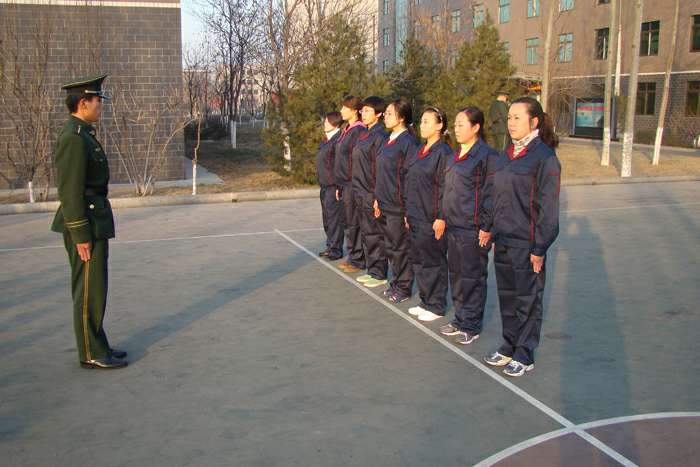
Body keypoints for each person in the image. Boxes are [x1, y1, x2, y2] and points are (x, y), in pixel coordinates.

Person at [50, 74, 127, 369]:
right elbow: (70, 190)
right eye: (97, 101)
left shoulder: (82, 133)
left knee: (96, 287)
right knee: (87, 291)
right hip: (86, 224)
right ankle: (90, 352)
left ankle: (98, 343)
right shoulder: (73, 137)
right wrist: (80, 234)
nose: (100, 106)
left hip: (95, 219)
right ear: (83, 103)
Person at [481, 96, 561, 377]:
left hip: (527, 244)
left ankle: (524, 354)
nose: (511, 123)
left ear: (534, 121)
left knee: (528, 299)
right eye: (509, 117)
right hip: (503, 240)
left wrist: (539, 247)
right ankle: (509, 345)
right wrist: (489, 226)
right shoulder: (507, 154)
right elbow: (495, 195)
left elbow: (549, 210)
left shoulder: (544, 158)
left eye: (517, 117)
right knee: (508, 298)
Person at [439, 107, 498, 345]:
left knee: (472, 277)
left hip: (472, 228)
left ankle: (471, 324)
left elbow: (491, 194)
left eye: (461, 124)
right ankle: (460, 317)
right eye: (455, 124)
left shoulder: (486, 155)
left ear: (476, 127)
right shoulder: (455, 154)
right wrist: (442, 216)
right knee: (457, 275)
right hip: (453, 225)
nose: (456, 128)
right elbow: (446, 189)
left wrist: (486, 225)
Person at [405, 107, 451, 322]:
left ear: (439, 125)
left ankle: (436, 304)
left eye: (426, 121)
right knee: (419, 259)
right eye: (421, 121)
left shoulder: (443, 152)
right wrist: (408, 212)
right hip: (416, 215)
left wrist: (441, 216)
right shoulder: (419, 150)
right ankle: (426, 299)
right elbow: (410, 181)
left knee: (433, 262)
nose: (422, 125)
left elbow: (445, 187)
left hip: (431, 217)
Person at [374, 99, 419, 303]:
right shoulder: (389, 139)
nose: (385, 116)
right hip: (385, 202)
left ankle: (403, 287)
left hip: (398, 205)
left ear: (401, 118)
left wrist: (407, 209)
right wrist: (377, 198)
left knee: (400, 248)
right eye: (385, 113)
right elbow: (381, 172)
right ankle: (396, 283)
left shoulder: (407, 142)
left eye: (390, 113)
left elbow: (409, 177)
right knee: (391, 247)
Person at [351, 96, 389, 288]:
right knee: (366, 233)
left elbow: (380, 169)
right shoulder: (364, 134)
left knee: (375, 234)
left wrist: (376, 196)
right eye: (362, 110)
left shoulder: (380, 136)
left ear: (379, 114)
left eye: (368, 110)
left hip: (370, 192)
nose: (363, 113)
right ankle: (372, 269)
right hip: (359, 190)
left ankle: (379, 273)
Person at [334, 95, 366, 273]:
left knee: (354, 222)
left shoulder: (358, 130)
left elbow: (356, 159)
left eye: (345, 108)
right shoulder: (346, 129)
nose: (341, 111)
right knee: (347, 221)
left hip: (353, 183)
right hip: (344, 183)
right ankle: (353, 255)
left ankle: (358, 259)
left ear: (354, 110)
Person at [316, 111, 344, 261]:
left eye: (327, 121)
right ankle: (330, 245)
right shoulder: (327, 140)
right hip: (324, 186)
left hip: (333, 186)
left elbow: (338, 165)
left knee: (334, 219)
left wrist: (338, 186)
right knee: (327, 218)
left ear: (335, 123)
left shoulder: (338, 140)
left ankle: (336, 249)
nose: (324, 124)